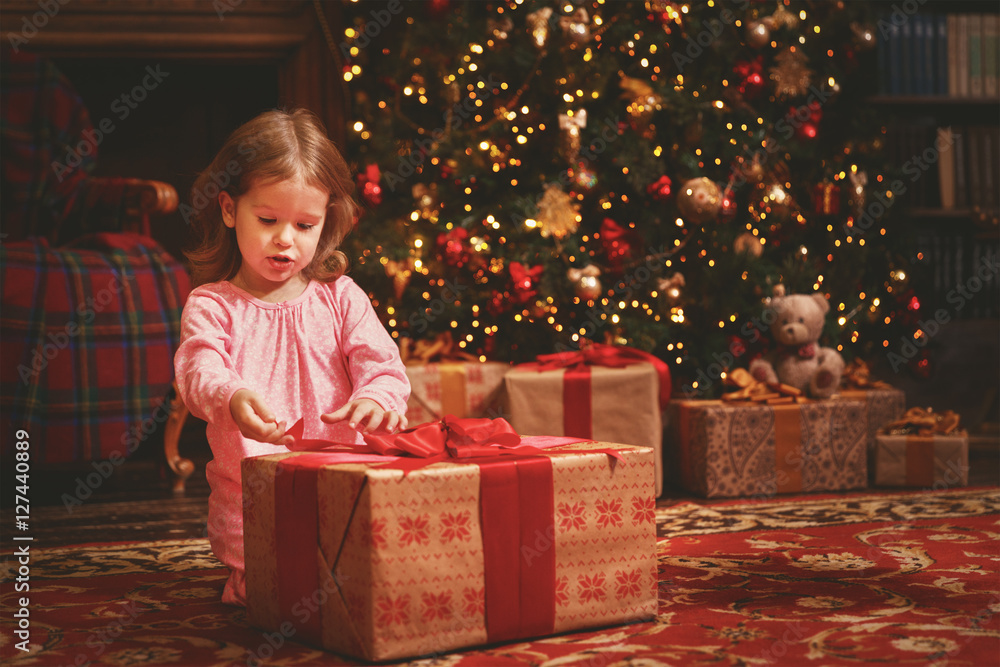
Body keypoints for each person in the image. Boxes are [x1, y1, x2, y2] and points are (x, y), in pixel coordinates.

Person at [174, 108, 409, 606]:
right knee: (271, 590)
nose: (286, 238)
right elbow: (200, 369)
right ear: (228, 209)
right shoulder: (212, 304)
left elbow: (383, 366)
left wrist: (377, 398)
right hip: (254, 503)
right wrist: (231, 395)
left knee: (367, 580)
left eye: (305, 224)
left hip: (345, 490)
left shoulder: (340, 297)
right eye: (268, 220)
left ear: (326, 221)